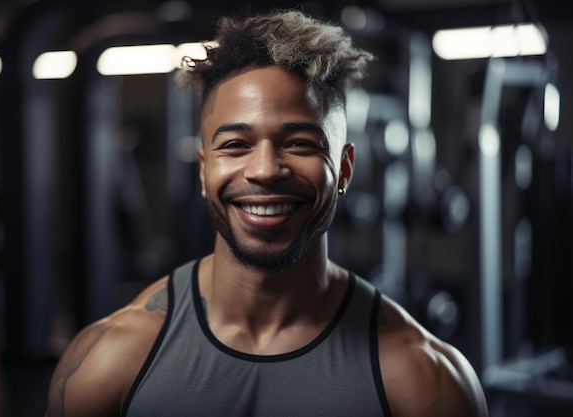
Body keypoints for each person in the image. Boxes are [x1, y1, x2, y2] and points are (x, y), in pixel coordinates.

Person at [45, 9, 489, 417]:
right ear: (204, 170)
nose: (264, 171)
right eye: (235, 145)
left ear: (345, 169)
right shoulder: (110, 362)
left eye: (299, 143)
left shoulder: (425, 381)